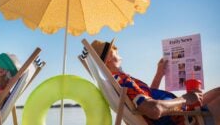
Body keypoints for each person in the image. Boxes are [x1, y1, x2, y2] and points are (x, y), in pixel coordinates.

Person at [91, 39, 220, 125]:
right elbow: (153, 109)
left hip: (183, 113)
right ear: (108, 58)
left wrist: (159, 74)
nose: (120, 55)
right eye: (116, 51)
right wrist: (185, 98)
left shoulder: (118, 81)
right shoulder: (122, 80)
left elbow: (146, 100)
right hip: (186, 120)